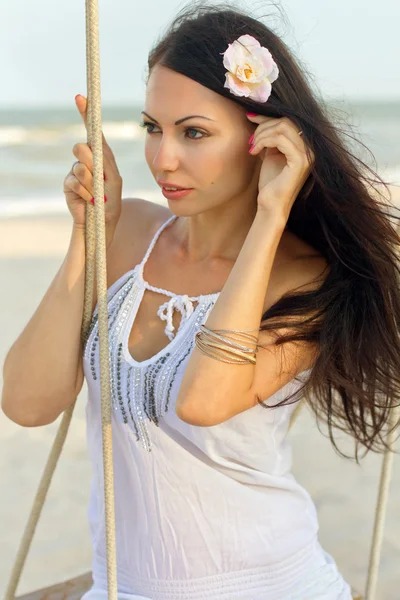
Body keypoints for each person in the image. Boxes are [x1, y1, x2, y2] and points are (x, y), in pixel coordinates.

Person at [2, 3, 399, 599]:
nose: (163, 159)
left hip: (270, 587)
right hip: (125, 588)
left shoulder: (307, 281)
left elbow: (205, 400)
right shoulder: (126, 231)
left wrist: (271, 216)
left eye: (194, 132)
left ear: (261, 139)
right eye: (152, 128)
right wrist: (89, 236)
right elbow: (27, 403)